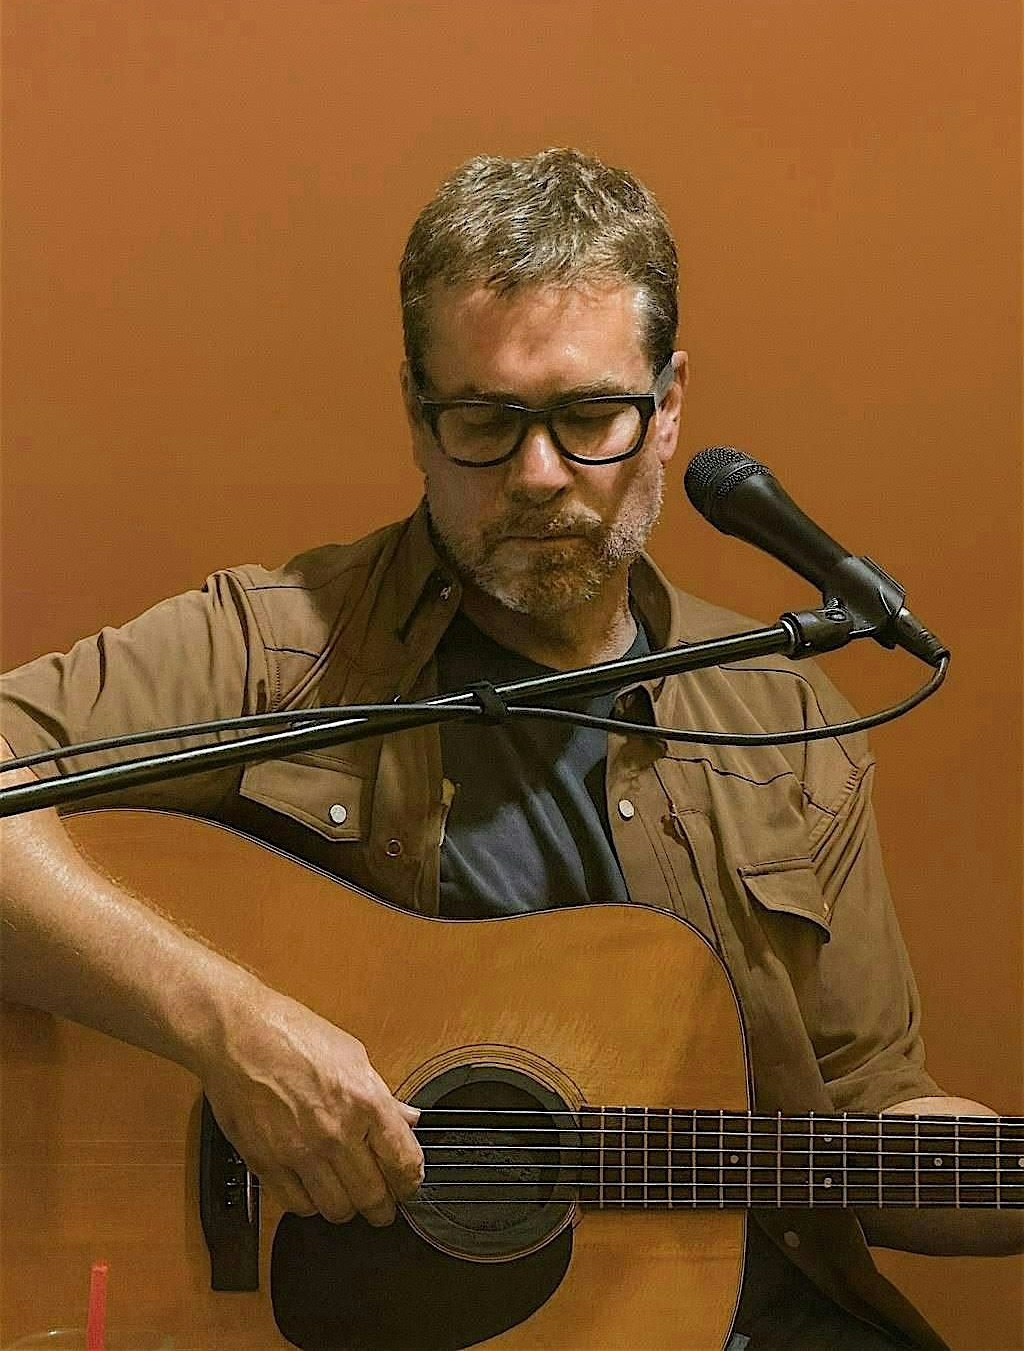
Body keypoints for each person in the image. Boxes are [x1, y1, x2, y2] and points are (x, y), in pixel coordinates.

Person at [1, 148, 1019, 1350]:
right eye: (483, 420)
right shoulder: (273, 648)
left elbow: (869, 1113)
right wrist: (228, 1028)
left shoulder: (784, 727)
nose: (538, 475)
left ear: (668, 405)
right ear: (416, 413)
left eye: (588, 417)